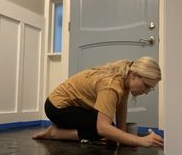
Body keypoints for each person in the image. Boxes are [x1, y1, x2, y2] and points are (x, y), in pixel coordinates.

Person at [33, 57, 164, 148]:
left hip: (70, 105)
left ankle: (59, 129)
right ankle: (54, 133)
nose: (147, 91)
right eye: (147, 86)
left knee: (112, 131)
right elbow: (102, 128)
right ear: (134, 75)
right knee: (101, 130)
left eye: (150, 88)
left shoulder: (124, 78)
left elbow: (121, 108)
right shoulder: (111, 85)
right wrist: (140, 141)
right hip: (57, 107)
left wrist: (122, 138)